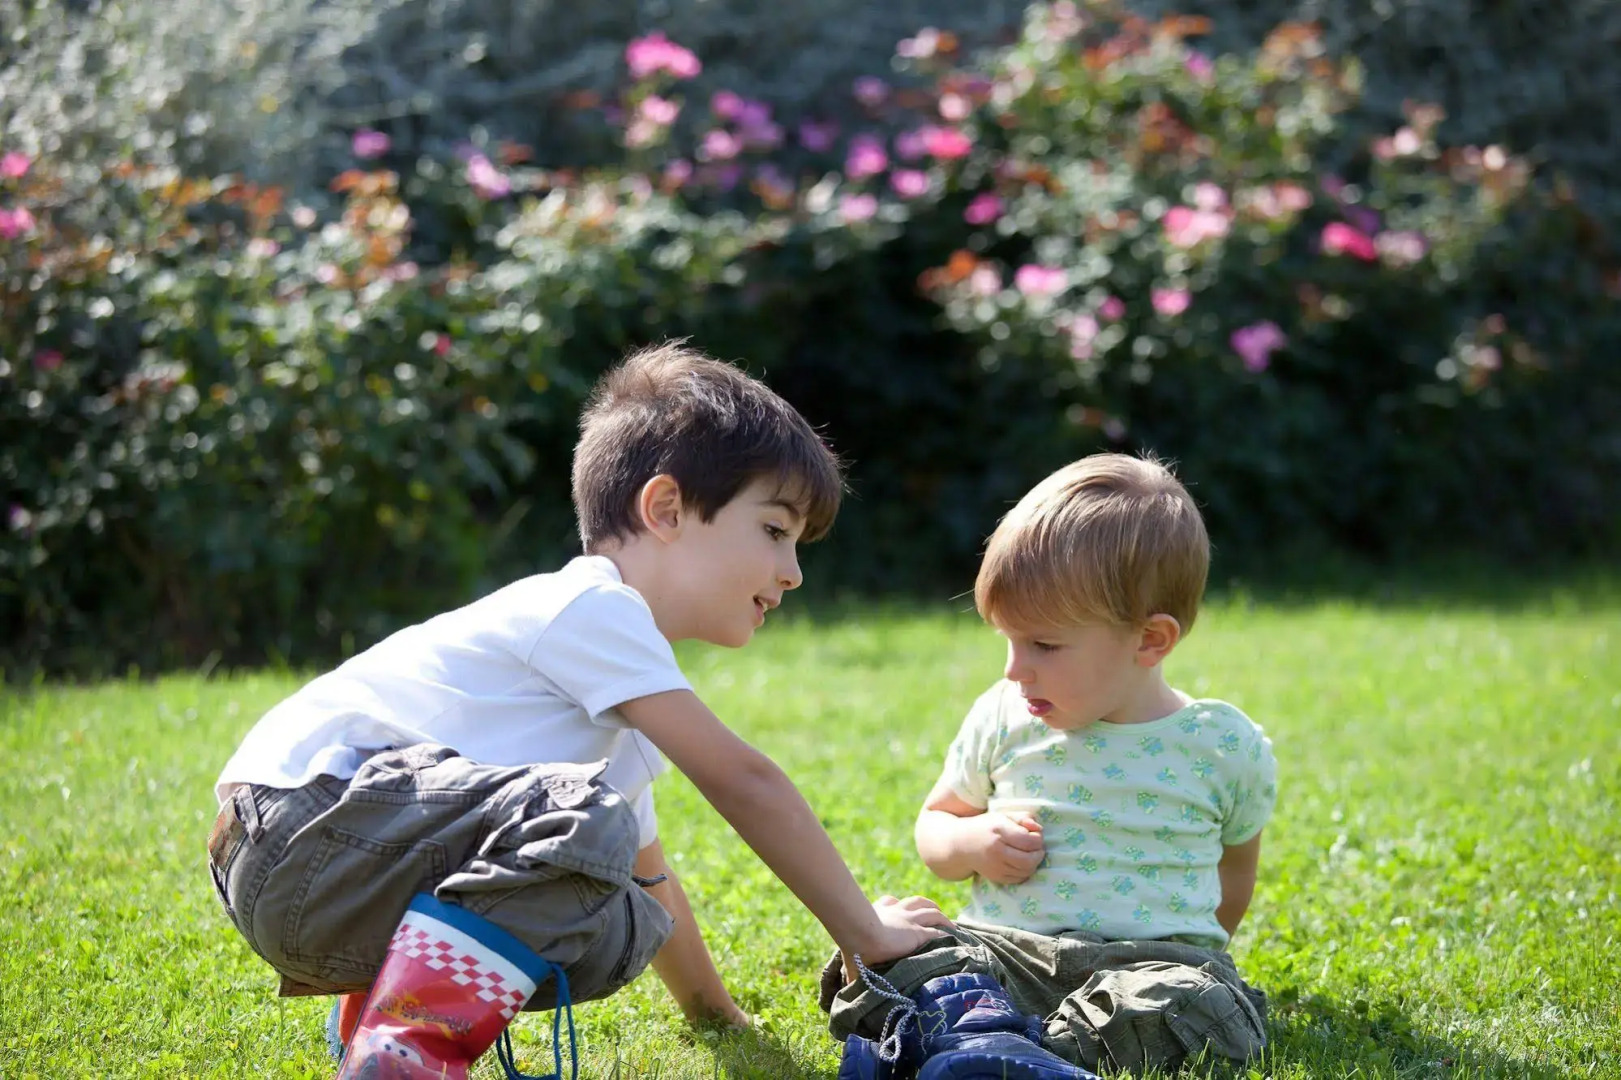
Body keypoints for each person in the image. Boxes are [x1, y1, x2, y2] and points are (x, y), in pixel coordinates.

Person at [206, 341, 951, 1078]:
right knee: (593, 823)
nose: (790, 573)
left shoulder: (618, 698)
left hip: (326, 867)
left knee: (625, 914)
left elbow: (648, 873)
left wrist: (714, 1016)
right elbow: (743, 781)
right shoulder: (590, 606)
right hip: (307, 831)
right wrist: (865, 932)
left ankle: (384, 1012)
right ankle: (408, 1048)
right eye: (774, 531)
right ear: (665, 508)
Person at [824, 453, 1277, 1077]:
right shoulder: (1005, 713)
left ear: (1150, 639)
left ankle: (981, 1048)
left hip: (1146, 966)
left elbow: (1235, 872)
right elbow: (935, 823)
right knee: (890, 935)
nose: (1015, 668)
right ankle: (982, 1039)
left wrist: (1186, 952)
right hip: (1006, 954)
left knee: (1201, 1003)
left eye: (1044, 644)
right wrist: (970, 840)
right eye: (1008, 641)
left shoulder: (1223, 744)